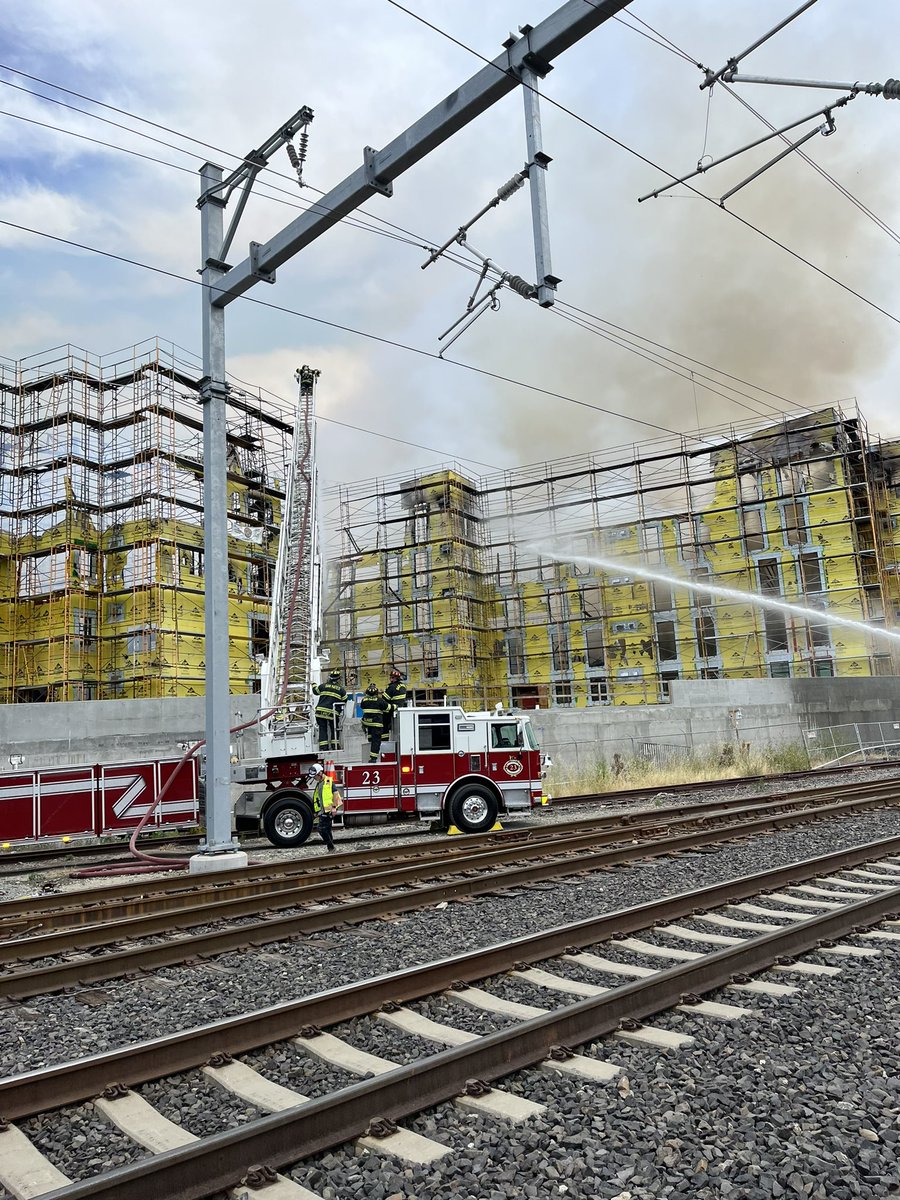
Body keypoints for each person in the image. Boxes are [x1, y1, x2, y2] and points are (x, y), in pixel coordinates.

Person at [311, 761, 343, 852]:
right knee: (327, 829)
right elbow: (319, 798)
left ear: (320, 773)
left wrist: (334, 808)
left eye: (315, 776)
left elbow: (335, 794)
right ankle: (331, 848)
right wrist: (317, 811)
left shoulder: (328, 781)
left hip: (328, 810)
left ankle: (331, 846)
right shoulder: (319, 783)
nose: (314, 778)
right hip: (323, 811)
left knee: (321, 829)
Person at [312, 671, 346, 751]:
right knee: (334, 728)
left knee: (322, 728)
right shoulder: (341, 690)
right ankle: (335, 746)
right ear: (339, 679)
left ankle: (324, 747)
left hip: (320, 712)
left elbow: (315, 692)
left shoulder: (323, 686)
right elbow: (344, 700)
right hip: (333, 713)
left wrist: (313, 684)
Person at [360, 683, 388, 762]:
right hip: (376, 723)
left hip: (367, 723)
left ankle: (369, 739)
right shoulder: (379, 700)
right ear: (376, 693)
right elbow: (387, 707)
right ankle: (373, 758)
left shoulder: (364, 700)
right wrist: (395, 706)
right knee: (376, 741)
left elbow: (362, 706)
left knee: (371, 737)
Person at [381, 668, 408, 737]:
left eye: (392, 678)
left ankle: (385, 738)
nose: (390, 679)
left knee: (384, 722)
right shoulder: (403, 686)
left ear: (396, 678)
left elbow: (385, 698)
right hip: (400, 707)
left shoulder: (392, 687)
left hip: (392, 708)